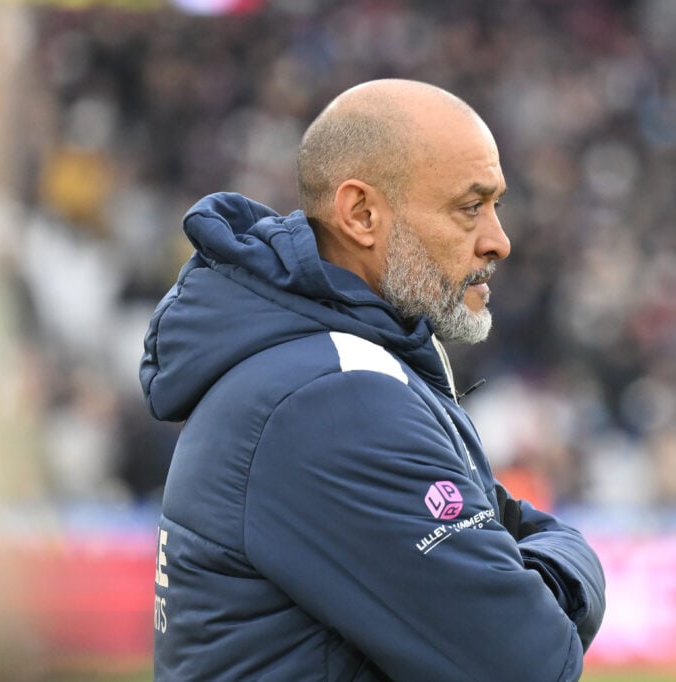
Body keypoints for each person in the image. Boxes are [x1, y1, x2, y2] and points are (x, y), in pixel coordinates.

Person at [140, 79, 605, 681]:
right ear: (361, 214)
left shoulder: (324, 369)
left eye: (497, 206)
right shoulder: (332, 399)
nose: (499, 240)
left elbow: (507, 524)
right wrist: (569, 574)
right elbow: (532, 662)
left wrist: (521, 564)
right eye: (470, 207)